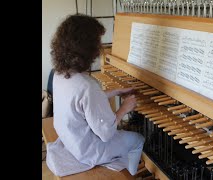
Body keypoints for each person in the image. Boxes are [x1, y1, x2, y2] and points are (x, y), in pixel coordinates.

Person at [46, 14, 145, 177]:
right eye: (98, 42)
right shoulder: (87, 86)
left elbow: (81, 103)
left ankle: (118, 164)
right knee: (137, 139)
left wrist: (116, 92)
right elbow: (106, 134)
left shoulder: (60, 73)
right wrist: (124, 108)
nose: (100, 46)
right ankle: (127, 175)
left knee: (124, 136)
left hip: (71, 139)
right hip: (87, 151)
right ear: (87, 48)